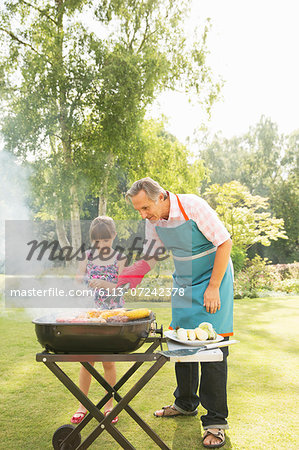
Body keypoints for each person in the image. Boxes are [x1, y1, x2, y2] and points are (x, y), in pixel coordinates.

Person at [117, 177, 234, 449]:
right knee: (181, 343)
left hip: (211, 279)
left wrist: (214, 287)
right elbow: (152, 255)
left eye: (145, 208)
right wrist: (133, 274)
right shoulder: (153, 221)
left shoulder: (193, 206)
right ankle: (185, 403)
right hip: (183, 281)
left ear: (162, 196)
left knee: (213, 347)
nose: (144, 215)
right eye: (139, 211)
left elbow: (224, 243)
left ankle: (215, 422)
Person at [71, 216, 127, 425]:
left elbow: (124, 286)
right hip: (90, 314)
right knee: (86, 363)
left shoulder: (120, 258)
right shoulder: (86, 256)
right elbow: (78, 279)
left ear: (113, 236)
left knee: (108, 363)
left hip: (113, 315)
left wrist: (106, 283)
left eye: (106, 240)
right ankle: (82, 405)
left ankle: (109, 405)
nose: (102, 245)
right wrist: (88, 281)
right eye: (97, 241)